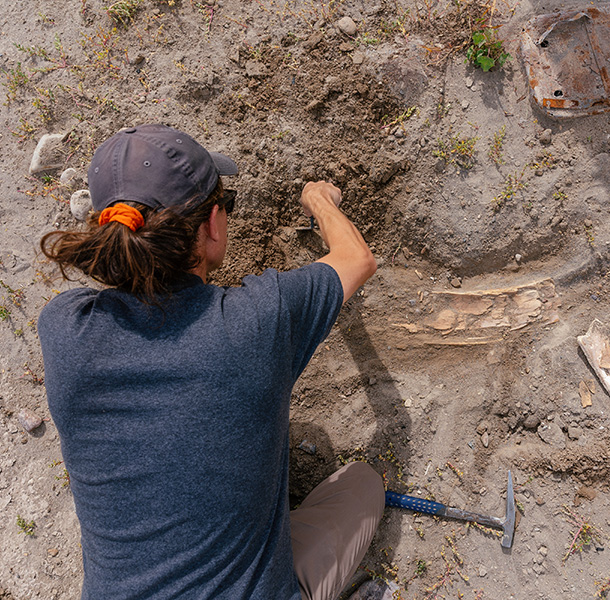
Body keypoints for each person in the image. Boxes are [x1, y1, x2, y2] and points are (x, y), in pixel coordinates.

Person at [37, 124, 383, 600]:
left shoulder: (63, 329)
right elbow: (356, 258)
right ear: (213, 224)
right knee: (361, 486)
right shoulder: (256, 322)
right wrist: (320, 199)